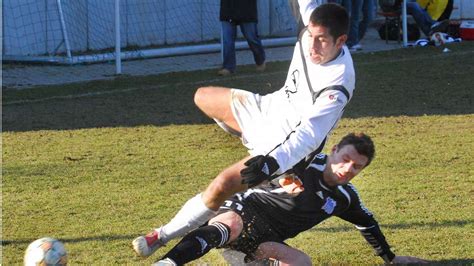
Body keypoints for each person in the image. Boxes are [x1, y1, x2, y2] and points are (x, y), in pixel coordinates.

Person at [133, 3, 355, 258]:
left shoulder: (337, 86)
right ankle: (261, 155)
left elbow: (309, 135)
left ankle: (160, 236)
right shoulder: (312, 27)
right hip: (266, 108)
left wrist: (272, 162)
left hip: (284, 144)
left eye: (322, 41)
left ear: (341, 41)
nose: (312, 46)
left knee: (222, 184)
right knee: (202, 96)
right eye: (311, 36)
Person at [153, 133, 429, 265]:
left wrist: (391, 258)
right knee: (229, 226)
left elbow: (368, 225)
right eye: (345, 159)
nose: (347, 169)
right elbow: (269, 163)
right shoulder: (304, 161)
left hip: (264, 239)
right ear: (334, 150)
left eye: (356, 166)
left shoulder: (345, 199)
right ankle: (169, 263)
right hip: (245, 210)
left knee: (301, 263)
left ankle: (251, 260)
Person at [217, 0, 266, 76]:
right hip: (227, 10)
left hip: (247, 10)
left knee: (252, 38)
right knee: (227, 41)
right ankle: (228, 67)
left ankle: (260, 60)